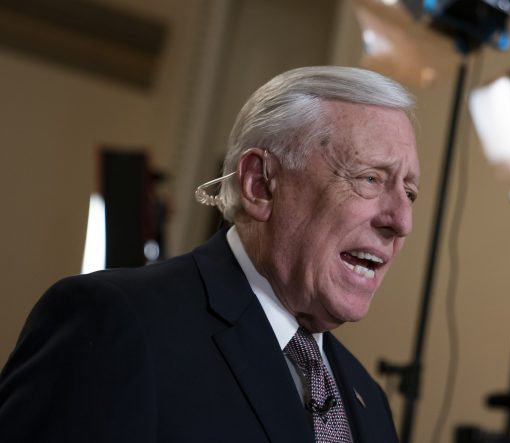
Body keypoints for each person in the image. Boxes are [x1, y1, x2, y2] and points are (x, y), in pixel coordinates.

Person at [0, 66, 420, 442]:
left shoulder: (369, 401)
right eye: (369, 178)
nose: (401, 221)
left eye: (409, 193)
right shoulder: (115, 322)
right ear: (259, 184)